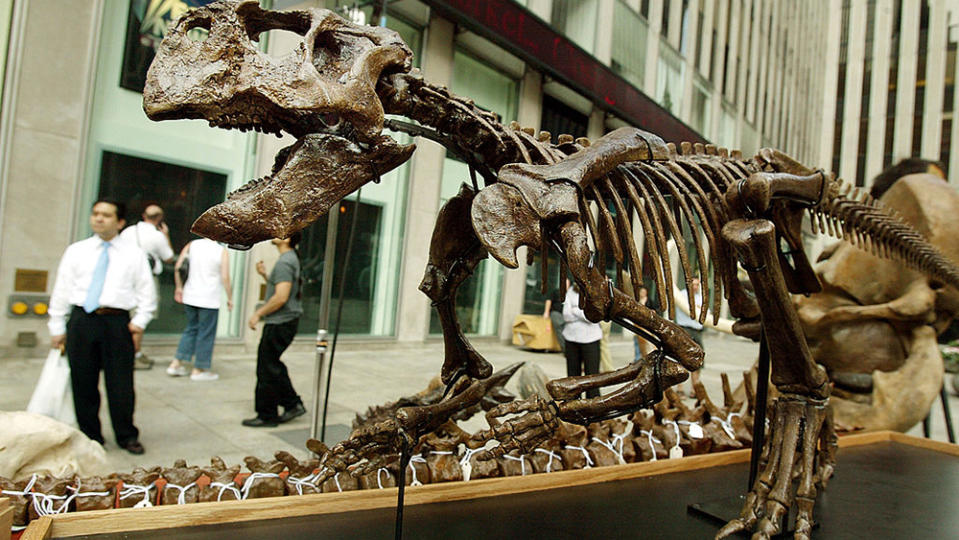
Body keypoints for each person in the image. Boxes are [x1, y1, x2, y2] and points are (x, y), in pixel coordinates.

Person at [48, 199, 156, 455]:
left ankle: (127, 435)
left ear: (119, 222)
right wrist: (56, 325)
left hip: (117, 323)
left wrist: (138, 323)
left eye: (106, 215)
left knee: (121, 384)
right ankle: (90, 436)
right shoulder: (76, 251)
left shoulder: (134, 254)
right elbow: (62, 289)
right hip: (82, 321)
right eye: (95, 213)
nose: (98, 219)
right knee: (83, 382)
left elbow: (147, 294)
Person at [242, 234, 307, 427]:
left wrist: (258, 314)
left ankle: (268, 415)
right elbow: (284, 288)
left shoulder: (285, 262)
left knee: (267, 368)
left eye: (280, 232)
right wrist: (265, 276)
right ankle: (292, 404)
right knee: (272, 365)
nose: (274, 234)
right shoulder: (291, 258)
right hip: (286, 321)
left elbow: (281, 297)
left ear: (287, 239)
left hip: (280, 322)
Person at [166, 238, 233, 381]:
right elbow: (225, 277)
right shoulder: (221, 251)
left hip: (190, 295)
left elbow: (178, 267)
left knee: (191, 329)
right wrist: (230, 297)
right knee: (206, 333)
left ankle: (176, 363)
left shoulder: (192, 245)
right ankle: (199, 369)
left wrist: (179, 287)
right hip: (209, 298)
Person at [120, 203, 174, 370]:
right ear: (159, 219)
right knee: (141, 315)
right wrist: (166, 236)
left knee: (126, 315)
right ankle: (133, 353)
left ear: (144, 215)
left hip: (124, 277)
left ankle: (126, 352)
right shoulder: (157, 236)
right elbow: (169, 258)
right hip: (147, 279)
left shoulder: (128, 231)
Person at [562, 281, 602, 398]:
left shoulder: (595, 294)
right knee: (572, 376)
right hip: (571, 338)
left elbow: (593, 317)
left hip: (590, 339)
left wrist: (574, 310)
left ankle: (593, 405)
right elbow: (566, 315)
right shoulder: (570, 291)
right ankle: (573, 403)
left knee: (592, 376)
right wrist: (582, 312)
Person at [674, 278, 705, 348]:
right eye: (693, 285)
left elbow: (707, 312)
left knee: (699, 353)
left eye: (697, 285)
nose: (695, 287)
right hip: (685, 329)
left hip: (697, 331)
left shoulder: (700, 297)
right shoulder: (681, 295)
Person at [543, 277, 567, 353]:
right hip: (556, 313)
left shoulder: (570, 294)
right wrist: (546, 312)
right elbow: (549, 301)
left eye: (568, 284)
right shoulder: (556, 292)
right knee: (560, 329)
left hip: (567, 316)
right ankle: (565, 349)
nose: (567, 285)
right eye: (565, 283)